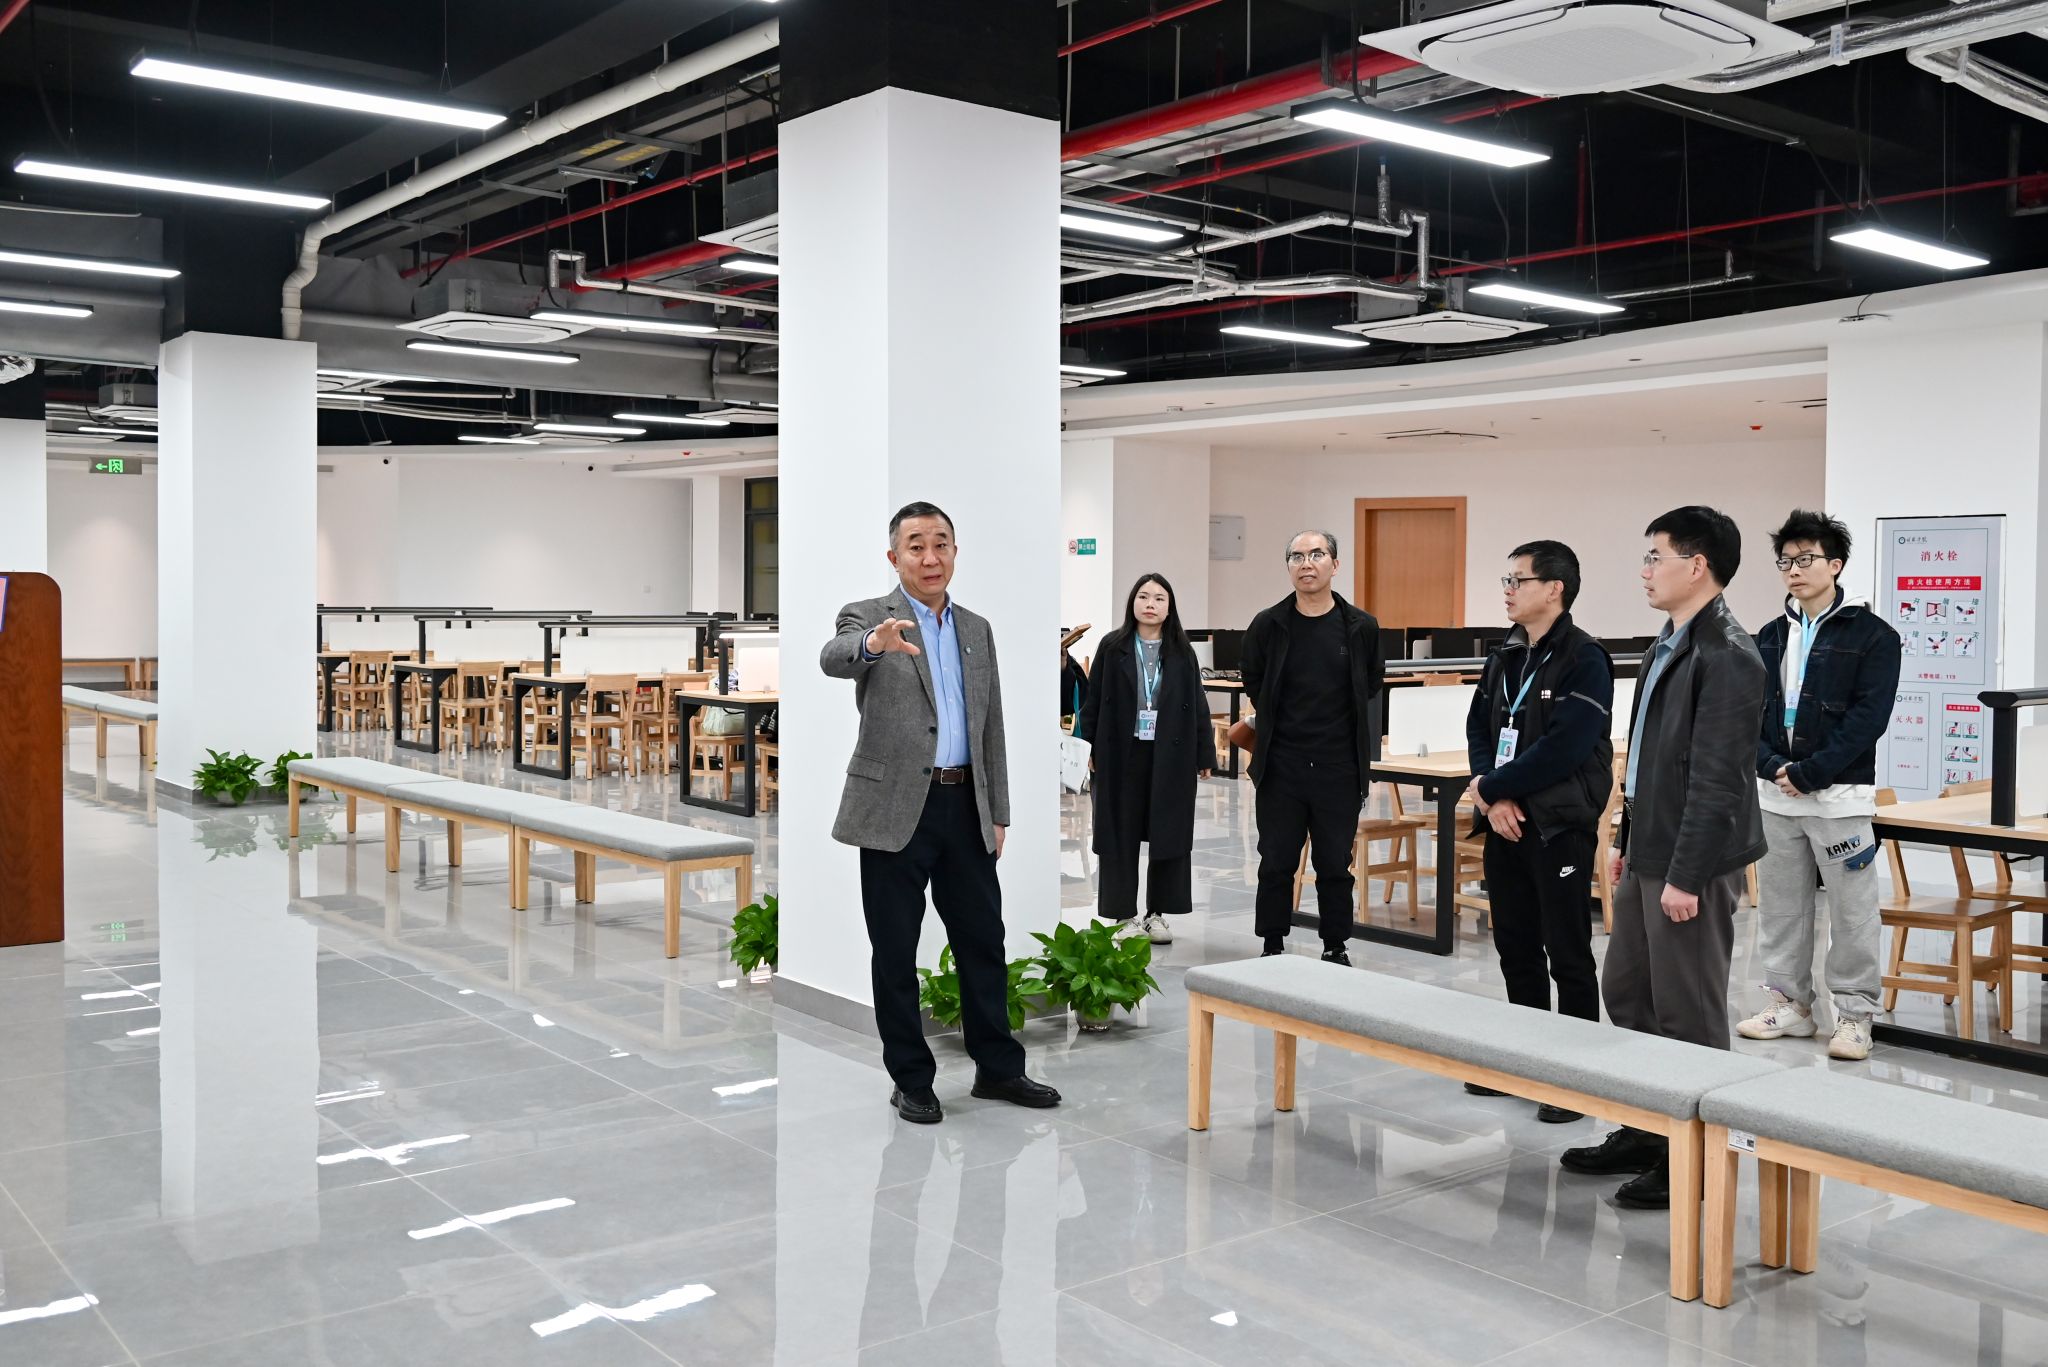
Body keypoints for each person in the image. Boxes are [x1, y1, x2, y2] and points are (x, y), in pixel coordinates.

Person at [820, 501, 1060, 1125]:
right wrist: (875, 645)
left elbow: (991, 724)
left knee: (983, 942)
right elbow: (834, 656)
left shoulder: (976, 628)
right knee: (895, 948)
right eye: (917, 545)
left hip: (965, 804)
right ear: (894, 556)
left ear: (955, 551)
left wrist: (997, 809)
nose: (930, 557)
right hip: (894, 809)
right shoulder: (869, 616)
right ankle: (911, 1079)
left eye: (941, 544)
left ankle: (998, 1068)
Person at [1561, 506, 1766, 1210]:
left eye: (1656, 557)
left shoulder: (1728, 653)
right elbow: (1649, 760)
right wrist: (1625, 843)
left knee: (1690, 1013)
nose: (1645, 570)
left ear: (1696, 565)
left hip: (1691, 863)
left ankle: (1697, 1159)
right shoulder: (1667, 644)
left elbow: (1719, 779)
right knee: (1628, 991)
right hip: (1650, 848)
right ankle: (1650, 1127)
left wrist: (1686, 873)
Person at [1737, 510, 1901, 1061]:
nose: (1793, 570)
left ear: (1835, 564)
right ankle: (1790, 1004)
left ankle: (1854, 1014)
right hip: (1776, 797)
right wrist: (1771, 766)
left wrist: (1812, 771)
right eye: (1785, 561)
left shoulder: (1873, 636)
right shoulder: (1769, 635)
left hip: (1839, 798)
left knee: (1853, 914)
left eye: (1805, 559)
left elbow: (1868, 718)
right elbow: (1750, 713)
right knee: (1781, 910)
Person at [1461, 540, 1615, 1124]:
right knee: (1515, 945)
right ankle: (1523, 1060)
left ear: (1554, 588)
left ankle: (1574, 1077)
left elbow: (1566, 747)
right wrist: (1490, 791)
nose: (1507, 589)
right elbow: (1479, 726)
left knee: (1567, 951)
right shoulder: (1504, 654)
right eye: (1506, 579)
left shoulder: (1585, 657)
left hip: (1556, 825)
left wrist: (1496, 788)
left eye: (1517, 580)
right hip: (1505, 822)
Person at [1241, 530, 1385, 964]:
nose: (1306, 563)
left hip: (1338, 765)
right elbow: (1254, 679)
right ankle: (1272, 942)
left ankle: (1335, 945)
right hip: (1281, 764)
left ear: (1334, 565)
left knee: (1335, 863)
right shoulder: (1268, 624)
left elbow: (1370, 682)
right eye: (1297, 556)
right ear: (1288, 567)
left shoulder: (1361, 626)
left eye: (1317, 554)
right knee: (1276, 860)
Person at [1077, 573, 1219, 943]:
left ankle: (1157, 914)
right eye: (1143, 596)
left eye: (1159, 598)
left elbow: (1198, 705)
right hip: (1120, 753)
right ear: (1133, 603)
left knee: (1168, 832)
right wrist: (1087, 746)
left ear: (1169, 607)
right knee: (1119, 832)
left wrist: (1204, 752)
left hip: (1171, 755)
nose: (1150, 604)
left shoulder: (1182, 652)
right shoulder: (1113, 646)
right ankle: (1123, 915)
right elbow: (1093, 700)